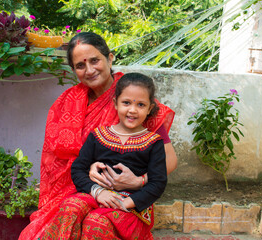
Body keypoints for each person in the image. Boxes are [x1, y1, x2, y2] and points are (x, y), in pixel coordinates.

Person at [19, 32, 176, 240]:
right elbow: (56, 161)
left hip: (128, 194)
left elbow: (170, 161)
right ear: (73, 70)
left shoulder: (132, 96)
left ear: (109, 58)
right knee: (66, 214)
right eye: (80, 65)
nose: (90, 70)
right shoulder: (66, 102)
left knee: (95, 223)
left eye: (95, 60)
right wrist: (91, 169)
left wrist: (138, 181)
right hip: (82, 189)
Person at [70, 73, 167, 238]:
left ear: (150, 108)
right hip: (97, 194)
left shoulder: (153, 142)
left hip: (130, 204)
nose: (132, 110)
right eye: (126, 103)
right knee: (70, 208)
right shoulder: (98, 135)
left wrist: (126, 203)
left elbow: (158, 182)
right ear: (115, 103)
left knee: (96, 222)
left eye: (141, 105)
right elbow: (78, 168)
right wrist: (98, 192)